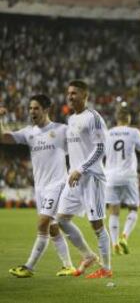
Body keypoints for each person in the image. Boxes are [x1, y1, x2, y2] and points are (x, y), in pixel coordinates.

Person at [0, 95, 75, 278]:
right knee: (52, 228)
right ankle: (68, 266)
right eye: (30, 108)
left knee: (42, 223)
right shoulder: (29, 132)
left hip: (57, 184)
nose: (32, 111)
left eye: (36, 108)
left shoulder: (61, 130)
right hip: (40, 188)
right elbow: (4, 137)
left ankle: (29, 267)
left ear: (46, 110)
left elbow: (80, 145)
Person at [56, 80, 112, 279]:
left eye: (74, 93)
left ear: (85, 95)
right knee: (61, 219)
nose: (70, 96)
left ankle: (106, 268)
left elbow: (100, 148)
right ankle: (88, 256)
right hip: (74, 178)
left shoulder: (94, 118)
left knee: (97, 225)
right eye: (68, 93)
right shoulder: (70, 119)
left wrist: (80, 169)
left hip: (92, 178)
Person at [105, 103, 140, 255]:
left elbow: (102, 154)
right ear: (128, 119)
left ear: (117, 119)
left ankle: (114, 243)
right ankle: (125, 235)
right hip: (128, 176)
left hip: (110, 177)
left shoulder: (108, 133)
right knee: (133, 208)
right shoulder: (133, 132)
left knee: (113, 212)